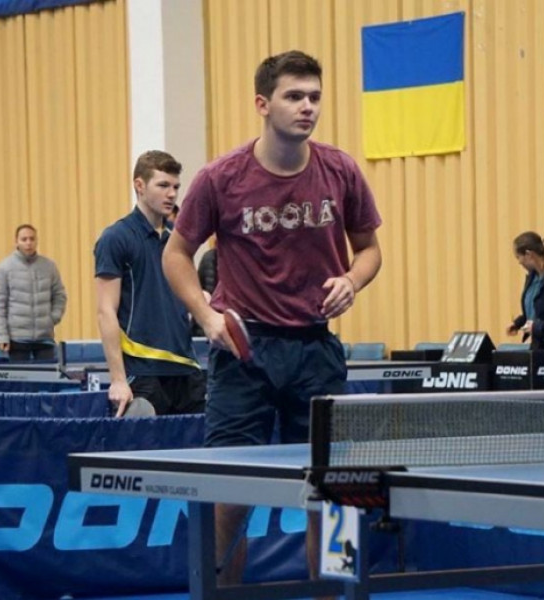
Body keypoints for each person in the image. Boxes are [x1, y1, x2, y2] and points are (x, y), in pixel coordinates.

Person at [162, 50, 382, 587]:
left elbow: (369, 250)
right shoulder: (221, 178)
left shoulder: (341, 170)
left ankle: (335, 598)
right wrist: (206, 316)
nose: (308, 107)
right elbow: (176, 254)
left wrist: (351, 281)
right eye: (294, 96)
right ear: (263, 104)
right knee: (231, 495)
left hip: (316, 352)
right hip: (244, 355)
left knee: (333, 495)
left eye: (315, 97)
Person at [94, 150, 205, 418]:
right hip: (143, 371)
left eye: (176, 187)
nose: (172, 194)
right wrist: (118, 379)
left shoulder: (178, 242)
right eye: (163, 185)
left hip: (186, 369)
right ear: (140, 185)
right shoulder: (115, 238)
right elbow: (106, 311)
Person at [0, 224, 67, 361]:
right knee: (19, 374)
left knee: (47, 373)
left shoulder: (49, 266)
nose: (28, 243)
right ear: (16, 242)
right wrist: (1, 336)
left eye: (32, 239)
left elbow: (59, 295)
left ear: (37, 241)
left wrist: (52, 318)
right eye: (24, 239)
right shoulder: (4, 269)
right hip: (16, 340)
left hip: (44, 339)